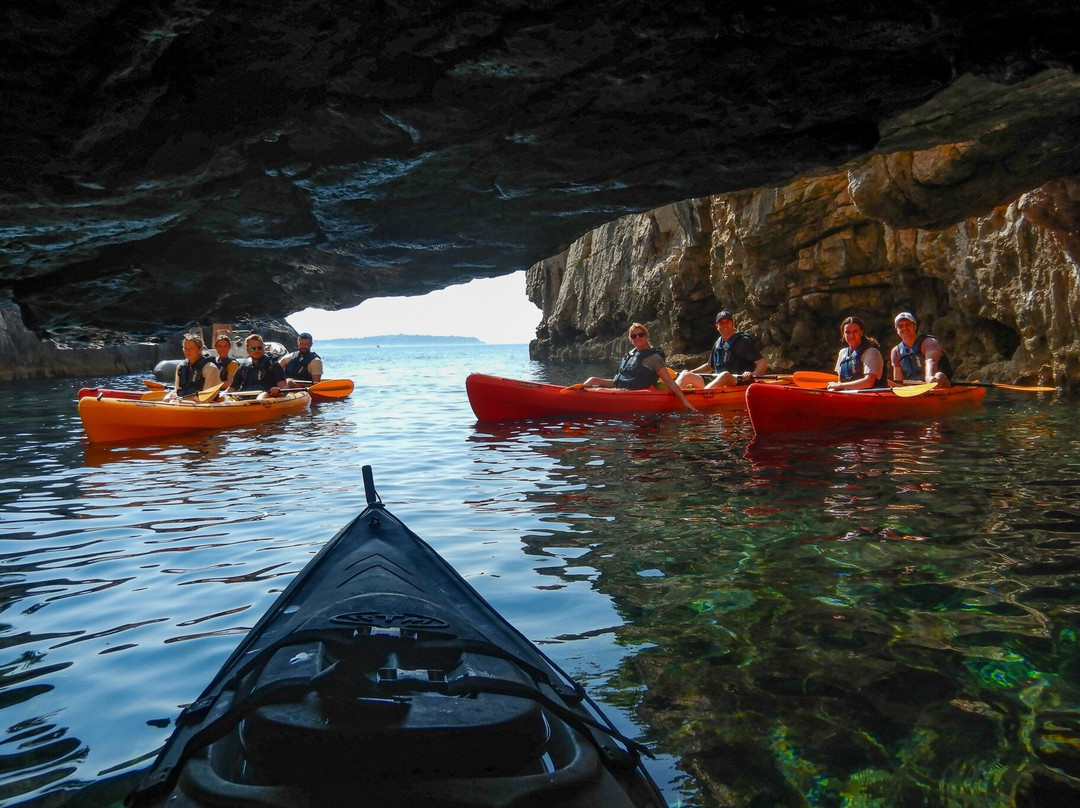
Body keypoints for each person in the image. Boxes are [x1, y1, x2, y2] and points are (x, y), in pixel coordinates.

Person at [581, 323, 697, 412]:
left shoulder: (654, 358)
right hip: (622, 389)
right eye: (634, 336)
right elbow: (619, 382)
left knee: (598, 388)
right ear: (631, 339)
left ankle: (583, 397)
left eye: (640, 334)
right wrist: (596, 381)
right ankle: (578, 391)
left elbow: (670, 382)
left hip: (637, 394)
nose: (637, 338)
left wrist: (685, 401)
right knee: (593, 379)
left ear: (646, 336)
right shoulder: (631, 356)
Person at [675, 310, 767, 389]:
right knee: (685, 375)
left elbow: (762, 363)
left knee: (725, 374)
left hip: (737, 380)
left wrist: (752, 374)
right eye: (721, 323)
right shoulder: (718, 343)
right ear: (717, 326)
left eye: (727, 322)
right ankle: (670, 395)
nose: (724, 325)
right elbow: (709, 367)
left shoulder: (743, 341)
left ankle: (704, 395)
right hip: (717, 380)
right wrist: (691, 372)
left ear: (732, 323)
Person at [890, 311, 953, 387]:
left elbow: (931, 361)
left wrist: (929, 376)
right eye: (900, 326)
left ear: (915, 326)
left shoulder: (929, 342)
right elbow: (898, 381)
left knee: (939, 376)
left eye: (908, 324)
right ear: (897, 330)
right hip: (914, 389)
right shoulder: (896, 351)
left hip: (935, 384)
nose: (905, 328)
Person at [826, 316, 887, 391]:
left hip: (870, 397)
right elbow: (840, 381)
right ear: (843, 334)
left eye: (855, 331)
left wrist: (839, 385)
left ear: (861, 332)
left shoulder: (872, 352)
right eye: (847, 332)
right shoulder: (842, 353)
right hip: (849, 396)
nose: (851, 336)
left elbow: (868, 383)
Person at [228, 334, 286, 398]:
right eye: (253, 348)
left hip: (267, 399)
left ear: (263, 348)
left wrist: (277, 391)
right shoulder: (243, 367)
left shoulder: (273, 364)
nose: (257, 350)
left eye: (259, 348)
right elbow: (232, 388)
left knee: (263, 396)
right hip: (245, 400)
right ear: (247, 350)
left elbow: (283, 387)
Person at [170, 335, 221, 400]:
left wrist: (185, 400)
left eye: (191, 348)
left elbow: (208, 397)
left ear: (200, 349)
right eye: (185, 348)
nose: (187, 351)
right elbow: (176, 390)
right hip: (183, 402)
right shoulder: (180, 367)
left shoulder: (210, 368)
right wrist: (171, 397)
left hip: (203, 405)